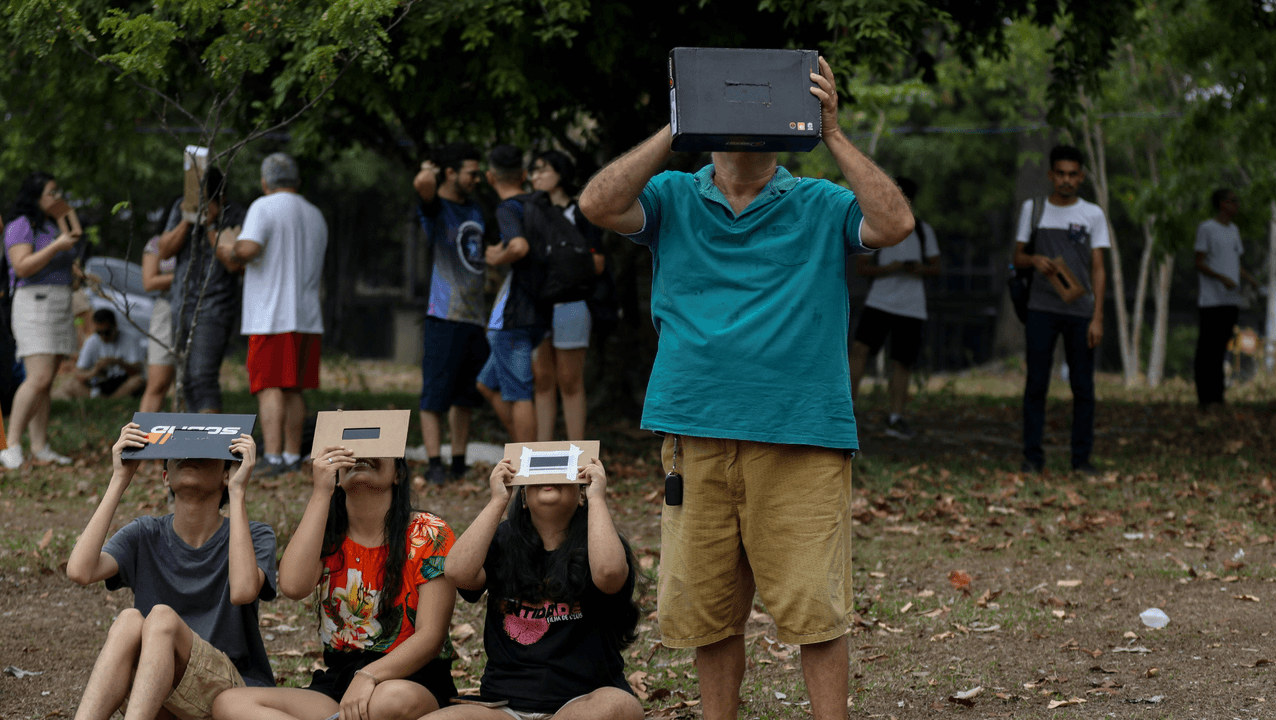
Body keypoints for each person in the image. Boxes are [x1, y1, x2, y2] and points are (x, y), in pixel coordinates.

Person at [579, 57, 913, 720]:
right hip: (696, 432)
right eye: (727, 108)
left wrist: (834, 135)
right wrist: (677, 124)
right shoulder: (673, 196)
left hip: (801, 435)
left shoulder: (819, 203)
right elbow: (597, 203)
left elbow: (895, 223)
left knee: (816, 612)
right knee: (707, 609)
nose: (744, 124)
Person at [211, 447, 458, 720]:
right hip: (341, 682)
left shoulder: (429, 532)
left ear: (398, 474)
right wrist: (321, 492)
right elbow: (293, 586)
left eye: (377, 448)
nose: (361, 453)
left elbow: (431, 636)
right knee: (229, 703)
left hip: (412, 679)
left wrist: (370, 676)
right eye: (350, 453)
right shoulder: (327, 531)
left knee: (390, 700)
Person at [66, 424, 277, 720]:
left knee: (162, 618)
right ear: (166, 477)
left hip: (228, 695)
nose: (190, 454)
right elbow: (79, 571)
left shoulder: (254, 536)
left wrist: (238, 491)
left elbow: (242, 591)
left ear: (227, 473)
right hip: (155, 690)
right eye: (178, 451)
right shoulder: (145, 533)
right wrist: (120, 478)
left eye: (205, 451)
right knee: (128, 620)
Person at [435, 458, 644, 720]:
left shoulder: (601, 544)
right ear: (523, 498)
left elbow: (610, 575)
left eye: (562, 473)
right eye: (536, 477)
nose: (549, 476)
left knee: (620, 706)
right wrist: (497, 500)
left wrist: (598, 499)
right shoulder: (502, 539)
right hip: (504, 707)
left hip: (579, 705)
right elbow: (457, 572)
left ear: (581, 496)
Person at [218, 153, 328, 477]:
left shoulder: (263, 207)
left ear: (265, 182)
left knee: (269, 387)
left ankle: (275, 456)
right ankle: (294, 455)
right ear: (297, 181)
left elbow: (249, 249)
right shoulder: (315, 214)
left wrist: (228, 247)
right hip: (307, 316)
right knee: (295, 389)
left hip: (271, 315)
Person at [1013, 145, 1109, 475]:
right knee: (1036, 384)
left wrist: (1097, 316)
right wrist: (1033, 260)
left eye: (1073, 174)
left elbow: (1098, 267)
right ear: (1052, 175)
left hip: (1081, 312)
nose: (1066, 180)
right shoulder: (1035, 209)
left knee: (1083, 388)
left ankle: (1081, 461)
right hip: (1041, 307)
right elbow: (1017, 257)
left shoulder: (1093, 214)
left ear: (1081, 177)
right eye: (1061, 174)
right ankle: (1032, 458)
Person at [413, 142, 489, 484]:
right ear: (450, 173)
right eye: (471, 173)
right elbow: (422, 184)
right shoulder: (436, 208)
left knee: (465, 397)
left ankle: (458, 462)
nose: (477, 178)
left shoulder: (476, 210)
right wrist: (430, 167)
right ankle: (434, 464)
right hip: (442, 313)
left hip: (474, 316)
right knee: (435, 395)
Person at [848, 177, 940, 440]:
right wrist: (887, 270)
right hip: (880, 301)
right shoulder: (877, 226)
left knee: (902, 362)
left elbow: (936, 267)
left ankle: (895, 417)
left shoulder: (922, 230)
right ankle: (849, 408)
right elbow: (861, 267)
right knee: (859, 349)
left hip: (911, 307)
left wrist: (916, 268)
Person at [2, 171, 80, 469]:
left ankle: (39, 445)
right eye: (51, 192)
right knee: (38, 377)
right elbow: (22, 267)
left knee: (47, 382)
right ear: (35, 196)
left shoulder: (51, 223)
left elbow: (66, 254)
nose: (57, 197)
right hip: (34, 303)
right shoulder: (21, 226)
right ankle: (10, 444)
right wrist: (55, 247)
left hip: (60, 301)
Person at [527, 150, 607, 442]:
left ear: (560, 174)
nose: (535, 176)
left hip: (572, 304)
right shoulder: (531, 212)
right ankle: (541, 452)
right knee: (542, 380)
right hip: (537, 306)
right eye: (532, 171)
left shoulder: (580, 213)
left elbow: (598, 263)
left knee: (570, 381)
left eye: (542, 169)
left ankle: (578, 455)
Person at [158, 168, 247, 415]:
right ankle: (189, 448)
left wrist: (210, 226)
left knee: (202, 376)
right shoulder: (181, 207)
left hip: (215, 306)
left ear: (220, 197)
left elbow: (234, 264)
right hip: (181, 303)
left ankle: (211, 448)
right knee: (184, 380)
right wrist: (188, 219)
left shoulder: (236, 215)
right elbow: (163, 251)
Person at [476, 145, 548, 444]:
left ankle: (528, 464)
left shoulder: (508, 208)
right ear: (523, 174)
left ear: (491, 177)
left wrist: (496, 257)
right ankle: (521, 448)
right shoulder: (540, 205)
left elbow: (519, 247)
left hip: (513, 317)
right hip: (539, 309)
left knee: (519, 393)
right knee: (486, 385)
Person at [1194, 188, 1260, 408]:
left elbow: (1234, 262)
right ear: (1222, 204)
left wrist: (1249, 279)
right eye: (1233, 201)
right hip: (1212, 300)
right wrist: (1220, 277)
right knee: (1208, 349)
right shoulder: (1207, 228)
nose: (1237, 204)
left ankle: (1218, 397)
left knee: (1222, 347)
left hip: (1231, 300)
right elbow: (1199, 261)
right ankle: (1205, 397)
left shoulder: (1234, 230)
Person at [72, 308, 146, 398]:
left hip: (122, 383)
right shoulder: (91, 341)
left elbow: (138, 370)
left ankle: (109, 400)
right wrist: (95, 370)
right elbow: (78, 373)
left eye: (107, 332)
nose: (103, 336)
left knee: (138, 381)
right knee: (72, 385)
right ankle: (106, 399)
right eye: (99, 332)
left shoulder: (130, 339)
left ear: (115, 326)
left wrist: (117, 362)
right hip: (100, 383)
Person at [140, 233, 177, 412]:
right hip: (167, 310)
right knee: (157, 383)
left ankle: (186, 438)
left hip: (201, 310)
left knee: (187, 386)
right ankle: (140, 439)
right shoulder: (157, 241)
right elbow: (149, 282)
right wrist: (185, 276)